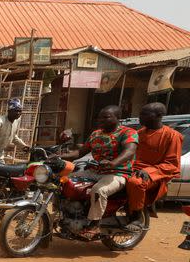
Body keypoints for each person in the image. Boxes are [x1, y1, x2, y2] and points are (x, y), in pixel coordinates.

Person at [60, 105, 138, 239]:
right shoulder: (96, 134)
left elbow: (129, 151)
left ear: (118, 118)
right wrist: (59, 156)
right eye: (100, 117)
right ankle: (68, 214)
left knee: (99, 190)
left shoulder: (128, 132)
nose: (101, 120)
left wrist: (114, 163)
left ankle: (95, 225)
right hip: (95, 171)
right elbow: (80, 152)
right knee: (65, 182)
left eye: (106, 117)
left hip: (118, 173)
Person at [125, 102, 183, 230]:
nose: (140, 117)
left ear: (159, 115)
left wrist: (149, 171)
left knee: (136, 182)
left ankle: (137, 217)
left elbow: (172, 164)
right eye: (140, 114)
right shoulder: (138, 133)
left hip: (154, 175)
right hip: (133, 169)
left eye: (145, 114)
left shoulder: (172, 136)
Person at [0, 98, 28, 163]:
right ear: (9, 111)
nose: (18, 113)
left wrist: (23, 146)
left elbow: (13, 136)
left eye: (20, 111)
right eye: (16, 111)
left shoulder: (16, 121)